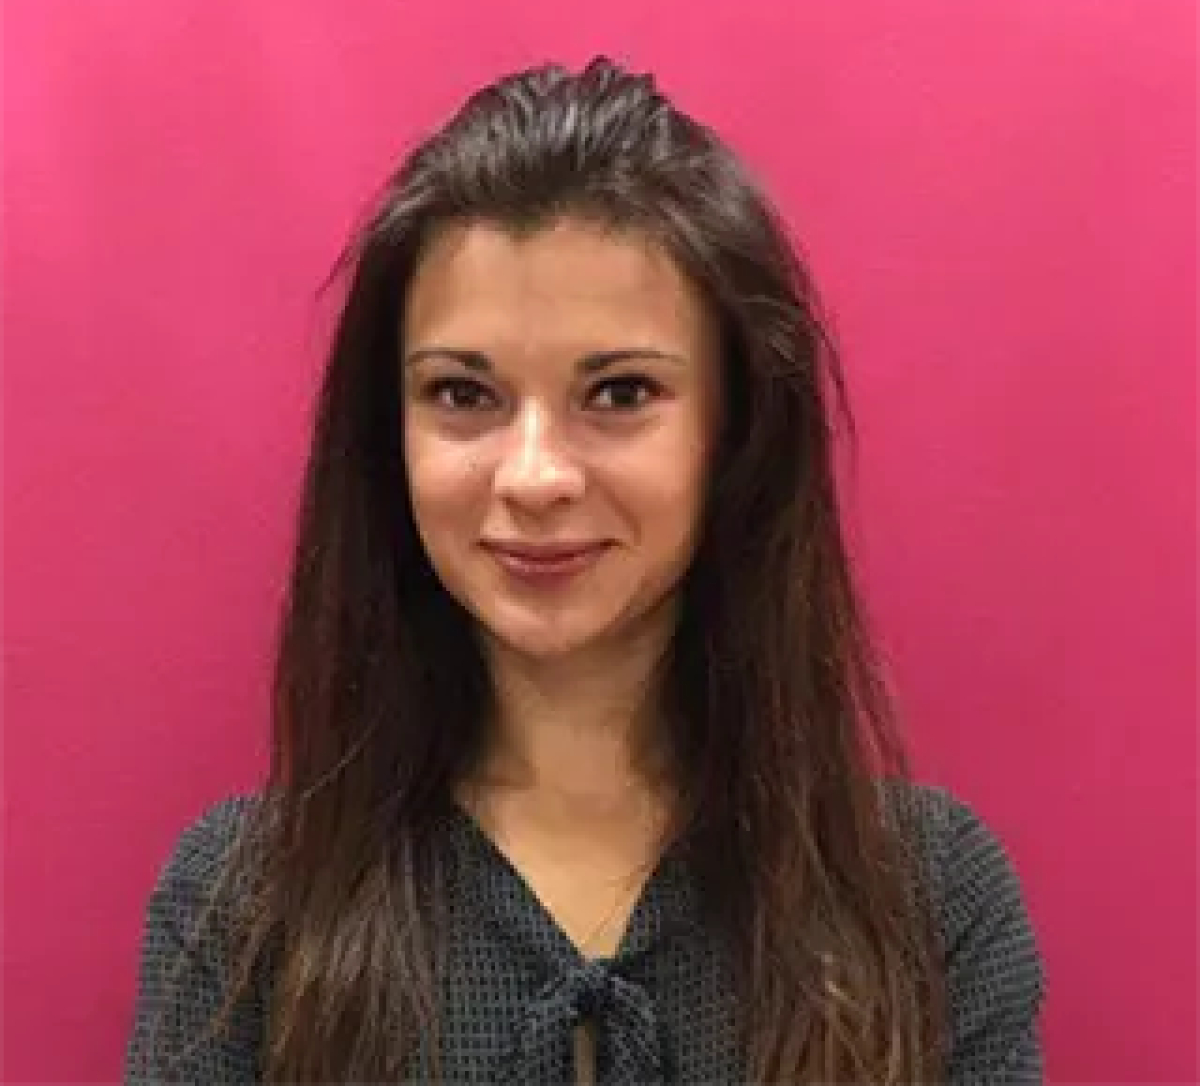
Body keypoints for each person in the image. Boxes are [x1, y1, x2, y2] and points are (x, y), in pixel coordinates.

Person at [124, 56, 1043, 1085]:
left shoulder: (928, 902)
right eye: (463, 394)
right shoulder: (243, 908)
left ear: (734, 430)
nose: (534, 477)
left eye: (619, 393)